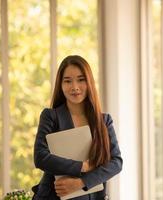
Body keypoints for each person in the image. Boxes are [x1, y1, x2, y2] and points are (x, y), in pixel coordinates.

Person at [32, 55, 123, 200]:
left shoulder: (104, 121)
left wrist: (81, 183)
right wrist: (82, 167)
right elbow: (40, 157)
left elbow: (116, 162)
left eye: (81, 80)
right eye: (67, 81)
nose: (74, 87)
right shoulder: (50, 116)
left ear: (89, 82)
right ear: (60, 85)